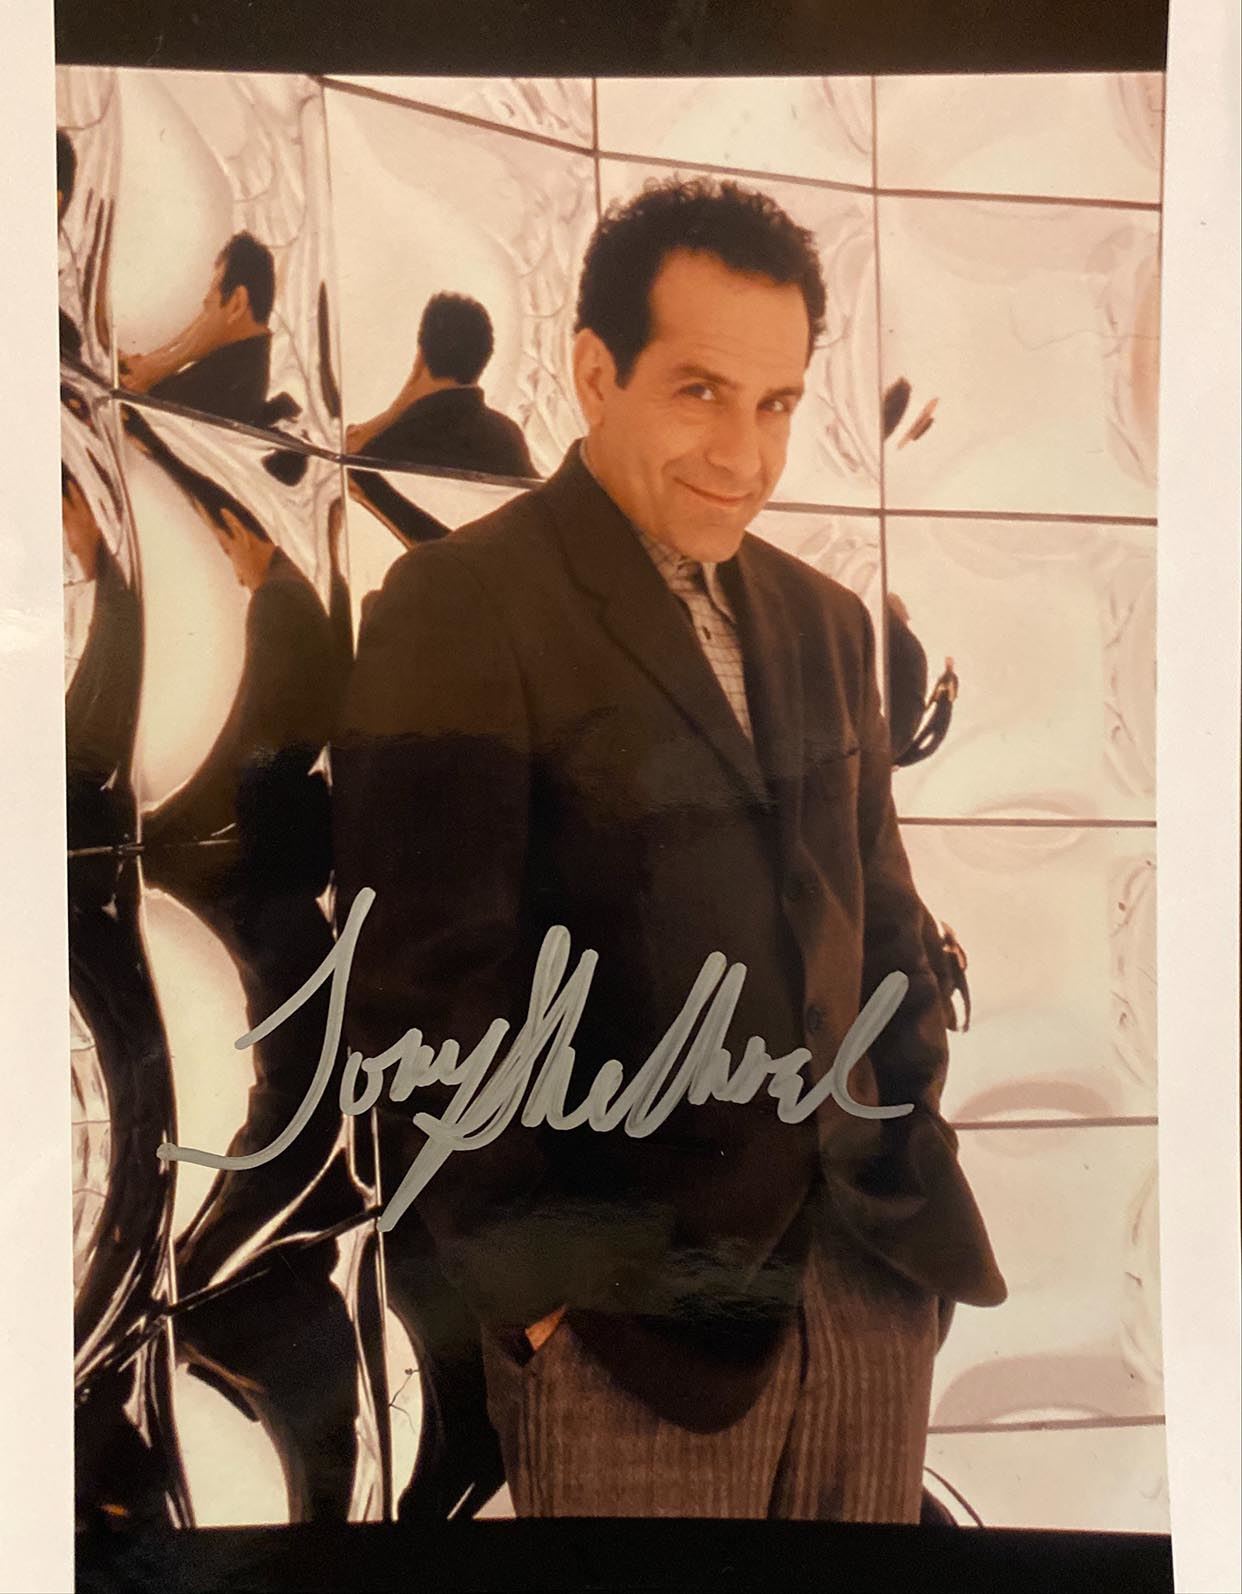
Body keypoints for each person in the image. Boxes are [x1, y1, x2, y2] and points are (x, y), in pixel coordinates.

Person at [332, 177, 1005, 1523]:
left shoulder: (825, 623)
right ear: (595, 373)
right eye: (701, 392)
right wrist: (544, 1302)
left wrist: (907, 1159)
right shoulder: (462, 604)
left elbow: (882, 925)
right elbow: (419, 993)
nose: (744, 455)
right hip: (630, 1334)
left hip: (868, 1283)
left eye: (777, 405)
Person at [345, 291, 535, 478]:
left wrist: (393, 413)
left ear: (420, 357)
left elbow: (349, 469)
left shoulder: (386, 447)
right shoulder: (508, 438)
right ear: (484, 358)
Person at [119, 232, 276, 428]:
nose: (202, 317)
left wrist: (155, 373)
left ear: (236, 304)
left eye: (208, 306)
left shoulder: (217, 385)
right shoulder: (240, 371)